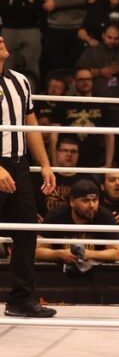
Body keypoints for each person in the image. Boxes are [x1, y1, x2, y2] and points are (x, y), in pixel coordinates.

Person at [0, 36, 57, 317]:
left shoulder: (20, 82)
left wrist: (45, 164)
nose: (0, 39)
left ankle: (20, 299)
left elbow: (31, 125)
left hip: (18, 165)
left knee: (25, 232)